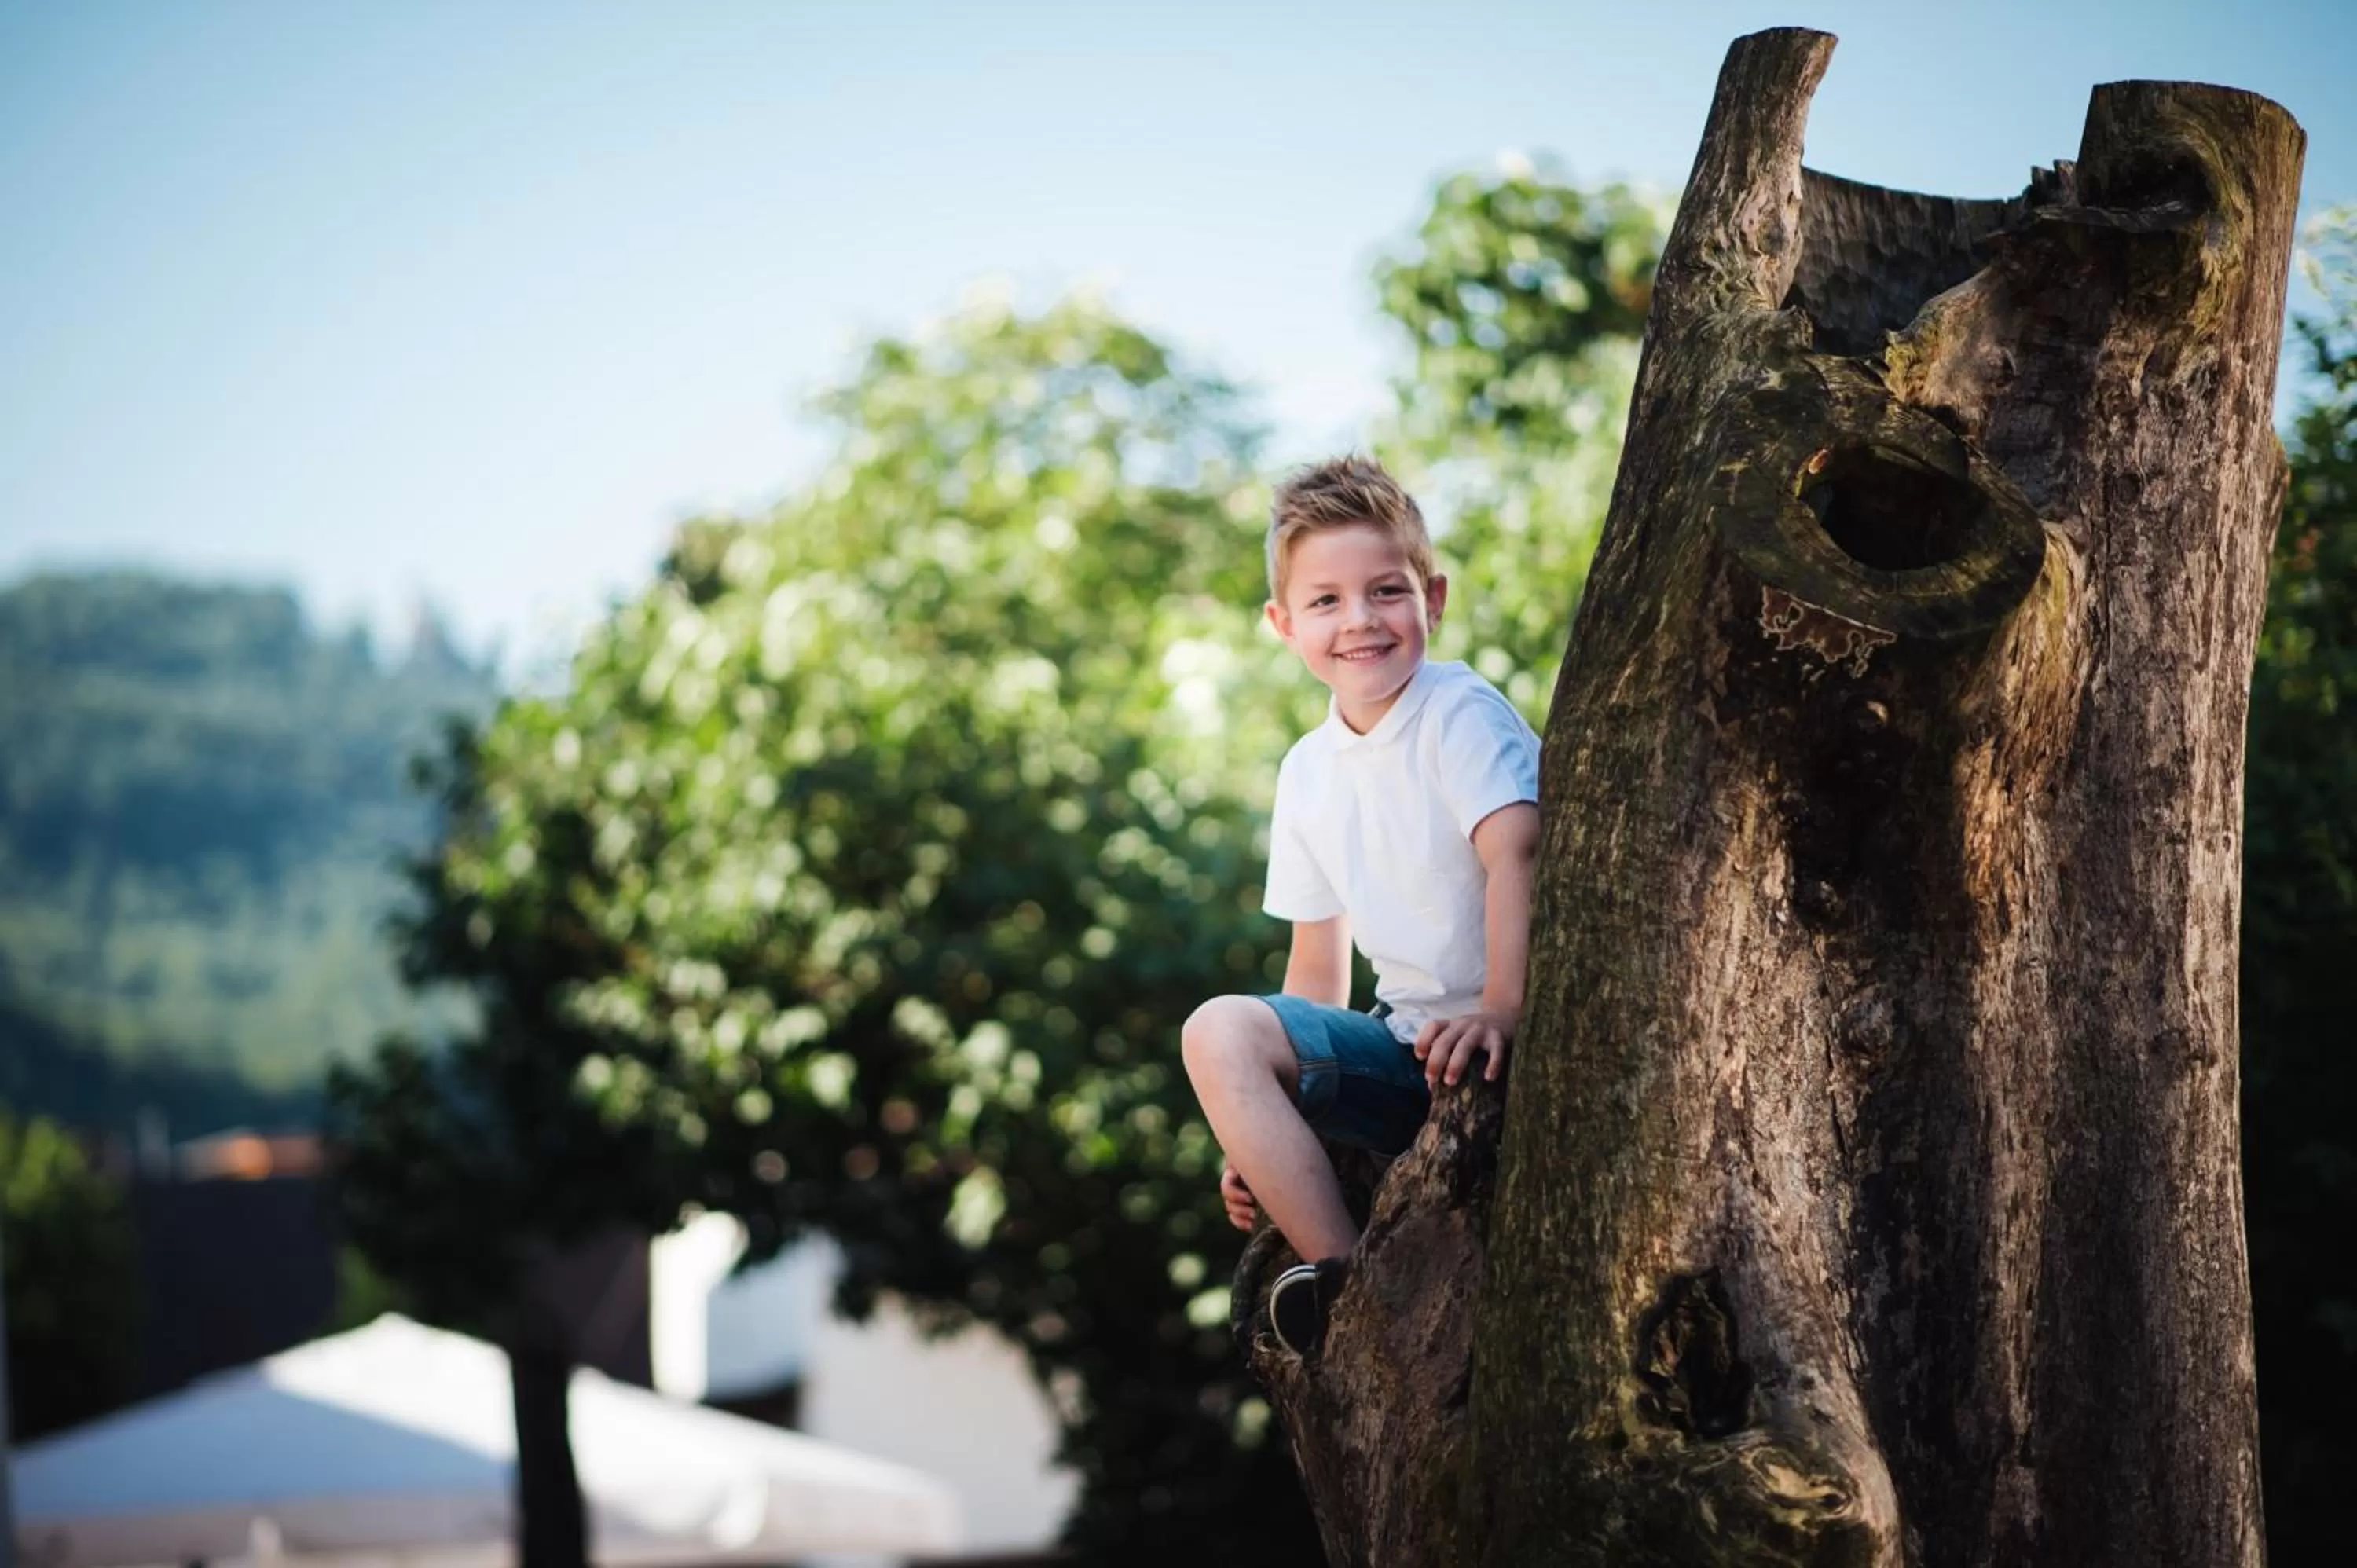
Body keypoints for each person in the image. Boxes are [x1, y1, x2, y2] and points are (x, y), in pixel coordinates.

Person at [1182, 454, 1540, 1357]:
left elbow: (1518, 852)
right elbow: (1316, 967)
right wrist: (1270, 1117)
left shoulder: (1458, 712)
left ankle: (1351, 1280)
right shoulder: (1307, 772)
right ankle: (1344, 1277)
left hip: (1518, 1038)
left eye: (1386, 590)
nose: (1360, 620)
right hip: (1413, 1055)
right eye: (1326, 600)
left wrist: (1503, 1009)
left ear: (1433, 598)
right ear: (1283, 623)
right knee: (1219, 1033)